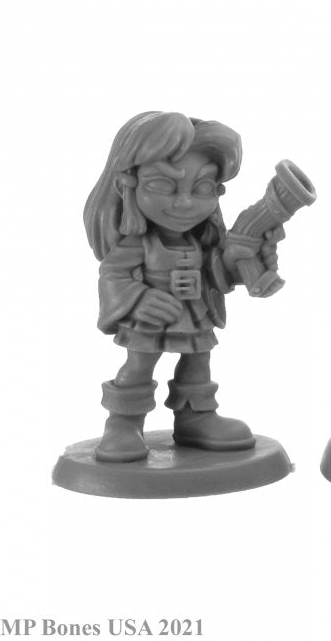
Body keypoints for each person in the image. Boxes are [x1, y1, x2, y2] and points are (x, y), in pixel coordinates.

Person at [84, 111, 276, 462]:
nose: (185, 202)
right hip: (151, 319)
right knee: (139, 366)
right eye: (163, 185)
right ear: (129, 184)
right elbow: (112, 275)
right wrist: (139, 298)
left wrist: (246, 259)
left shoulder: (201, 242)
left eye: (202, 188)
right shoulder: (138, 244)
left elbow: (218, 276)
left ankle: (196, 418)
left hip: (195, 313)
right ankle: (124, 423)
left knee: (198, 364)